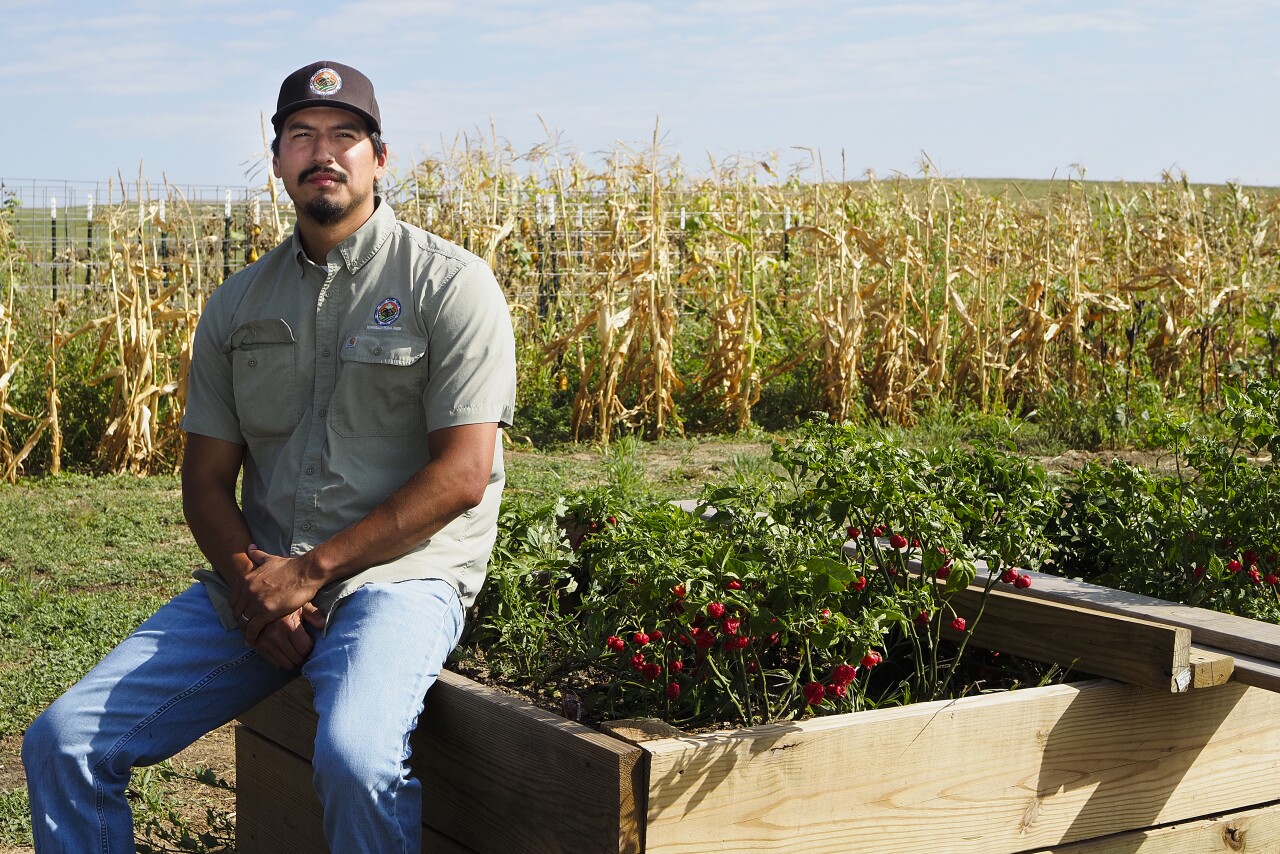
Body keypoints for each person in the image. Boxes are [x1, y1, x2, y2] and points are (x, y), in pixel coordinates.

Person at [22, 60, 516, 852]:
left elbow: (461, 476)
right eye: (302, 136)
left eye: (345, 136)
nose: (324, 151)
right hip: (259, 578)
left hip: (399, 580)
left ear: (379, 158)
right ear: (279, 159)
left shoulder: (448, 285)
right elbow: (206, 480)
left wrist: (308, 574)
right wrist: (257, 583)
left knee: (356, 759)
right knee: (65, 743)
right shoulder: (239, 303)